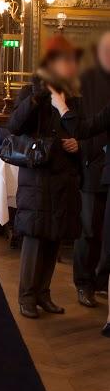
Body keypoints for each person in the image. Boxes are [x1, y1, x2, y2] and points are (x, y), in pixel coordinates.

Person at [6, 33, 84, 319]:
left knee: (54, 237)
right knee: (36, 237)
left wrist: (78, 143)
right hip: (38, 178)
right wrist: (38, 97)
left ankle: (43, 293)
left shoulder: (73, 97)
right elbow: (15, 125)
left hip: (63, 177)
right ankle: (27, 296)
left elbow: (82, 130)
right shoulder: (31, 92)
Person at [73, 32, 110, 307]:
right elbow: (77, 119)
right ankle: (84, 283)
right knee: (89, 229)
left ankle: (103, 280)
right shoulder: (85, 79)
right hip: (93, 162)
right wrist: (81, 145)